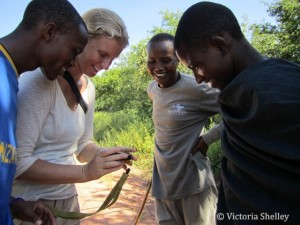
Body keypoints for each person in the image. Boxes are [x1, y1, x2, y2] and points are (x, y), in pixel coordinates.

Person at [174, 2, 300, 225]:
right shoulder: (282, 78)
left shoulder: (261, 95)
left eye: (196, 66)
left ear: (220, 46)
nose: (198, 79)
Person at [12, 8, 136, 225]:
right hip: (32, 206)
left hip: (68, 200)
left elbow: (82, 145)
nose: (106, 66)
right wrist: (85, 173)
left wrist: (106, 156)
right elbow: (19, 162)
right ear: (81, 39)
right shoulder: (37, 82)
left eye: (113, 59)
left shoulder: (89, 88)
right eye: (102, 54)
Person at [0, 0, 88, 224]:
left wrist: (12, 203)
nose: (71, 62)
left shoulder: (11, 80)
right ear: (50, 32)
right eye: (73, 50)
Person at [147, 33, 223, 225]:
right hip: (163, 187)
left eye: (166, 60)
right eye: (152, 61)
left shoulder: (196, 89)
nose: (158, 68)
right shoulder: (152, 89)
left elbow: (238, 109)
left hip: (193, 186)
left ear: (178, 61)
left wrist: (208, 138)